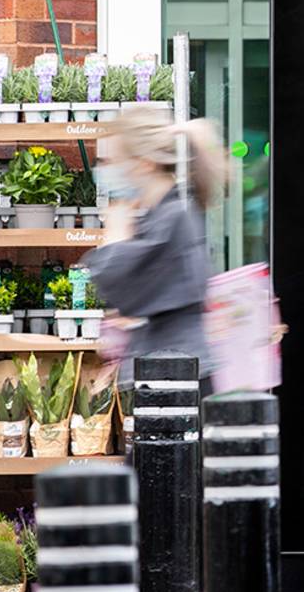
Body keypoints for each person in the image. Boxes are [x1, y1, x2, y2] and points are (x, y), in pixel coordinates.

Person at [85, 105, 225, 392]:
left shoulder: (172, 217)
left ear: (144, 163)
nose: (108, 170)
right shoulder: (162, 214)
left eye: (114, 160)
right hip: (172, 369)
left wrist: (115, 235)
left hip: (178, 375)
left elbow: (117, 280)